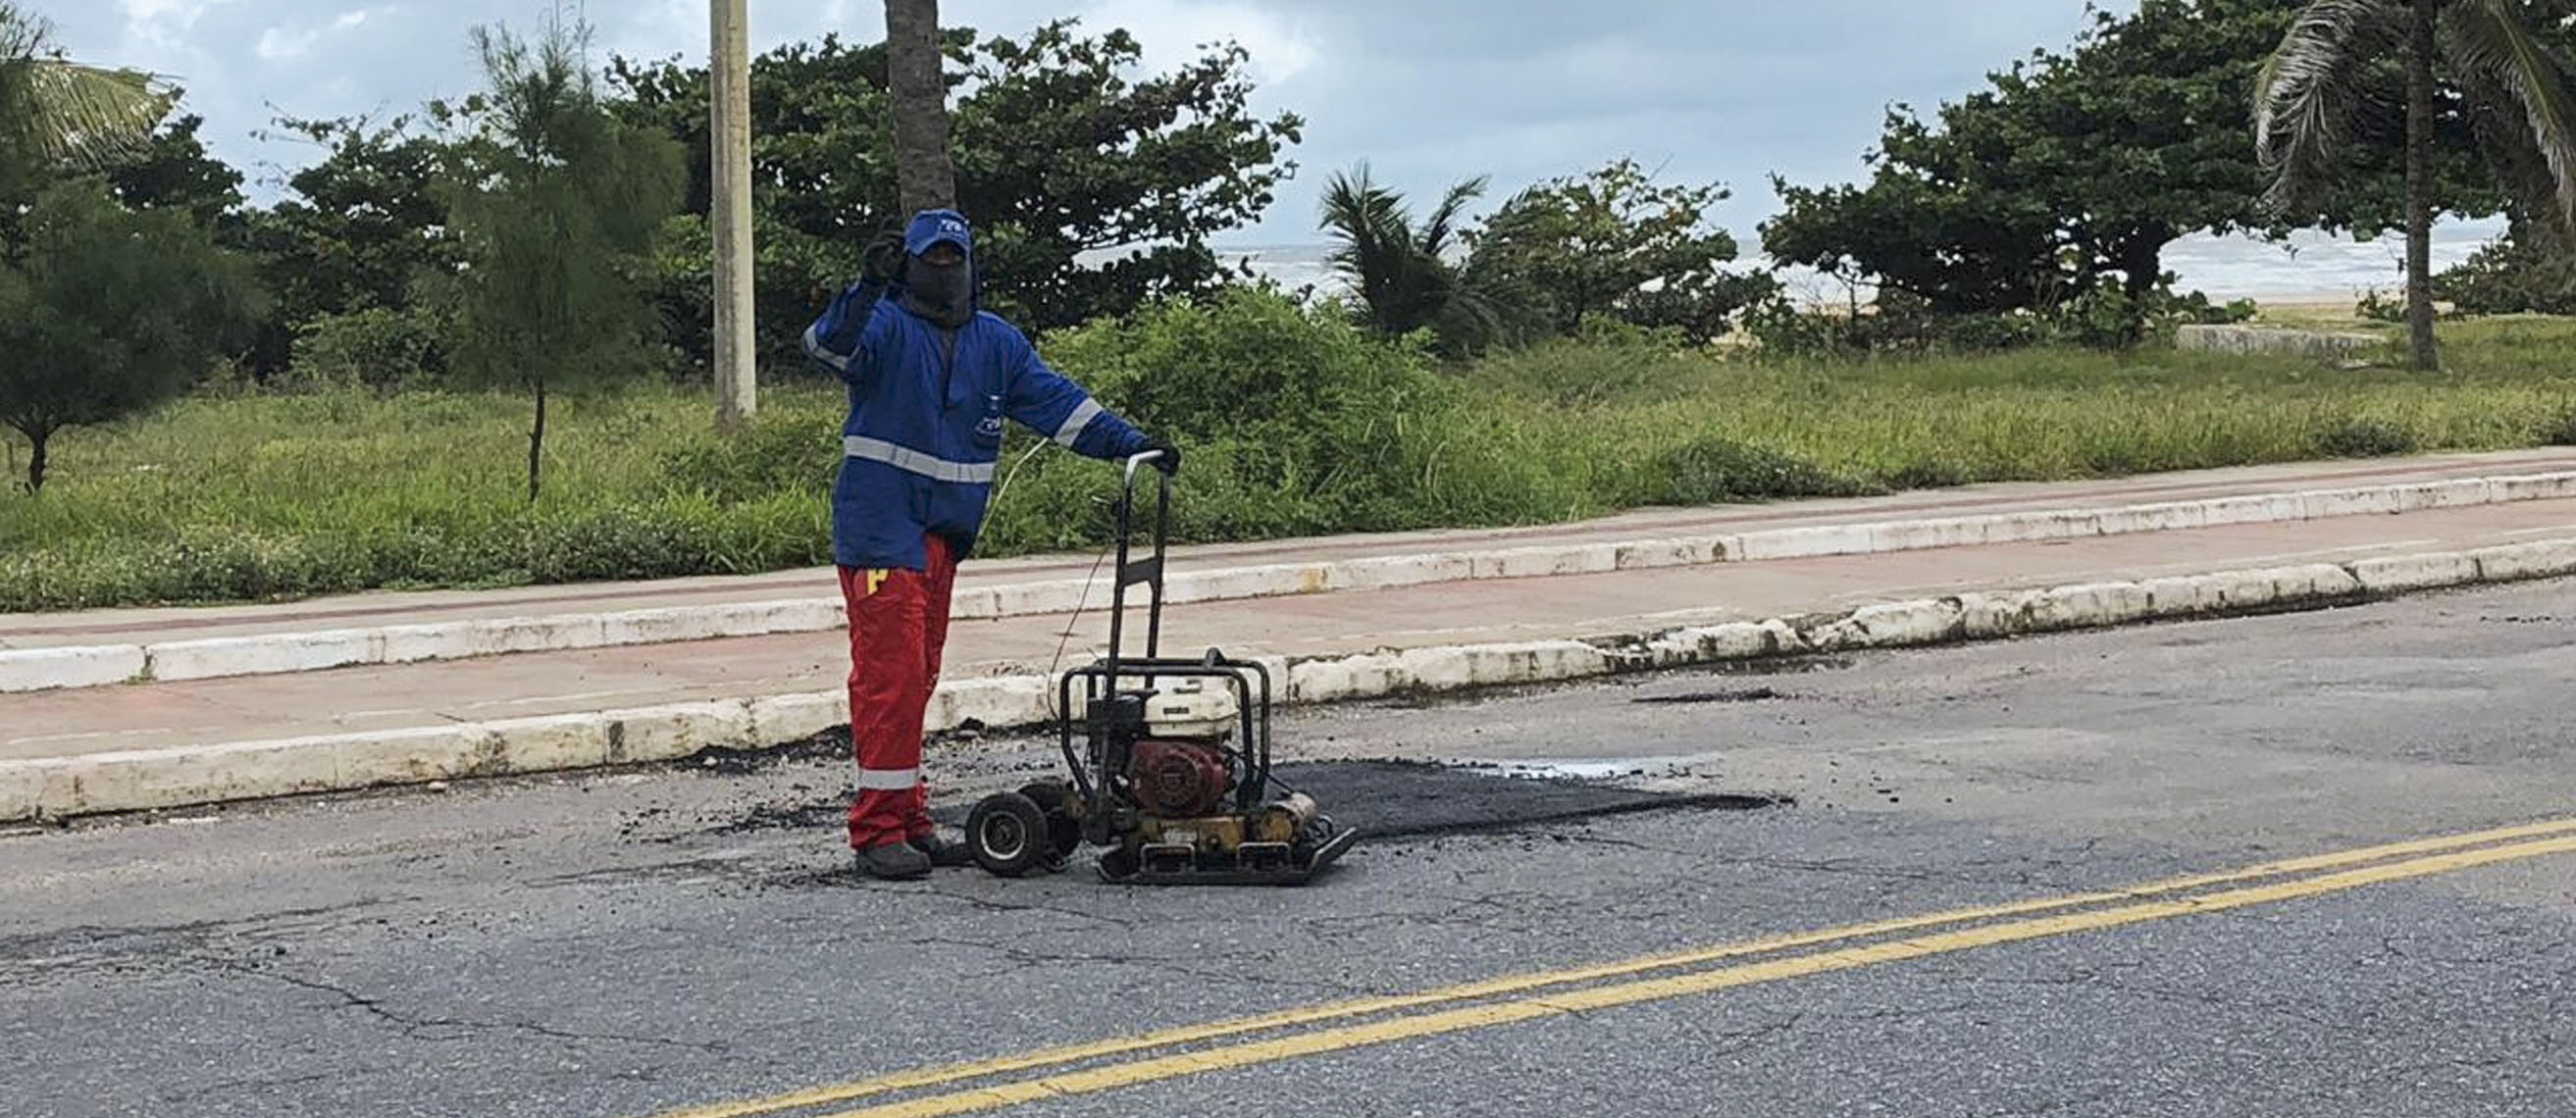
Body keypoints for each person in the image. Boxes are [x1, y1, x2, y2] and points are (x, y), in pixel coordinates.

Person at [802, 208, 1177, 881]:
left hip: (943, 535)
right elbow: (830, 347)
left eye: (955, 259)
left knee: (917, 679)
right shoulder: (884, 324)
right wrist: (865, 287)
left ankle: (910, 820)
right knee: (891, 681)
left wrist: (1134, 444)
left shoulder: (996, 343)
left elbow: (1061, 407)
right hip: (882, 531)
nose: (944, 270)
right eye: (932, 259)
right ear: (911, 264)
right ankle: (878, 830)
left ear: (971, 266)